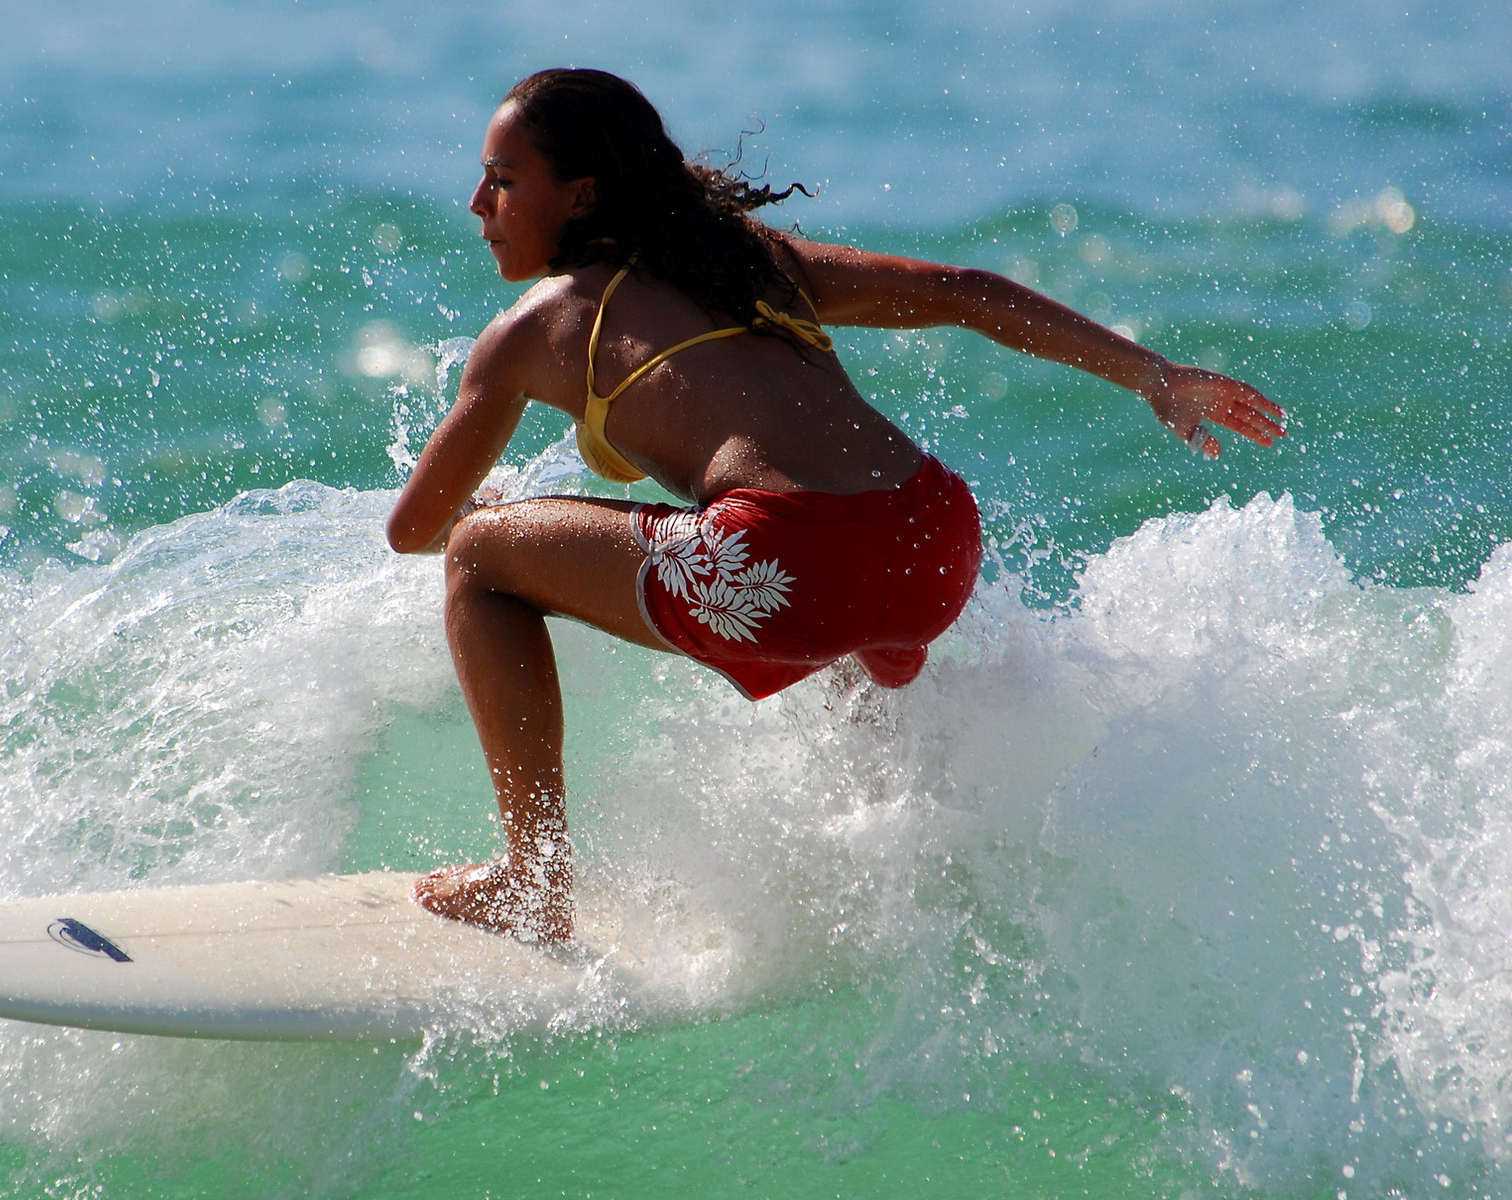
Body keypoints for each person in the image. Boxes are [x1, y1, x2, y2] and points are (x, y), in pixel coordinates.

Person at [386, 68, 1284, 942]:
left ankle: (534, 881)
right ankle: (917, 857)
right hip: (932, 539)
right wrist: (1149, 373)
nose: (477, 205)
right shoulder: (749, 259)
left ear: (580, 195)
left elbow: (416, 530)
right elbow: (961, 293)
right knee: (850, 649)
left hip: (795, 564)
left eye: (503, 182)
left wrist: (499, 510)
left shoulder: (534, 331)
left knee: (476, 554)